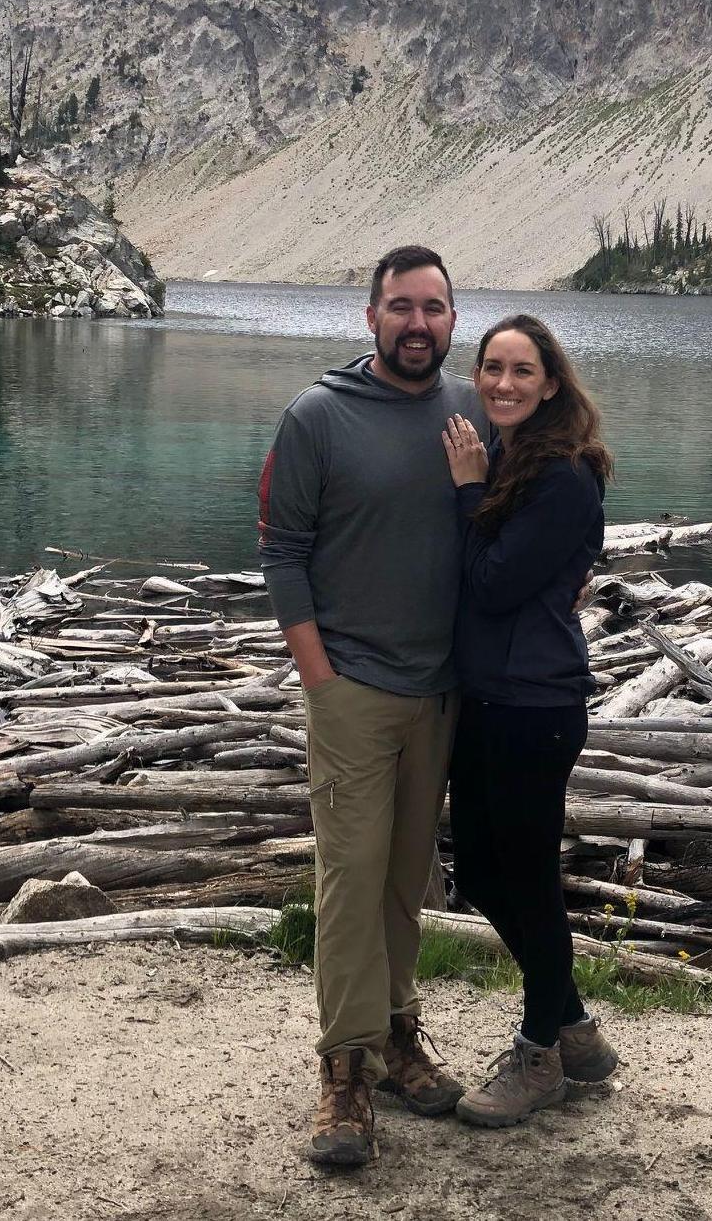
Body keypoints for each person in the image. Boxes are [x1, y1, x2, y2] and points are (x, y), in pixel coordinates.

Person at [259, 245, 489, 1168]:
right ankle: (344, 1068)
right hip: (352, 685)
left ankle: (397, 1034)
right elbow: (282, 551)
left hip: (438, 693)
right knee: (351, 877)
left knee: (403, 875)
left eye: (434, 308)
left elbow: (515, 513)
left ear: (452, 320)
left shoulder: (471, 411)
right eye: (401, 306)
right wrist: (319, 677)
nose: (418, 324)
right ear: (369, 317)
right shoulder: (316, 416)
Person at [440, 313, 620, 1128]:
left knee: (530, 881)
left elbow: (492, 585)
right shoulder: (518, 455)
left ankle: (539, 1051)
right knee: (479, 870)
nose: (502, 383)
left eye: (521, 371)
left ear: (551, 382)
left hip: (535, 705)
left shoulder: (559, 475)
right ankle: (574, 1023)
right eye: (491, 369)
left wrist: (468, 490)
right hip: (488, 697)